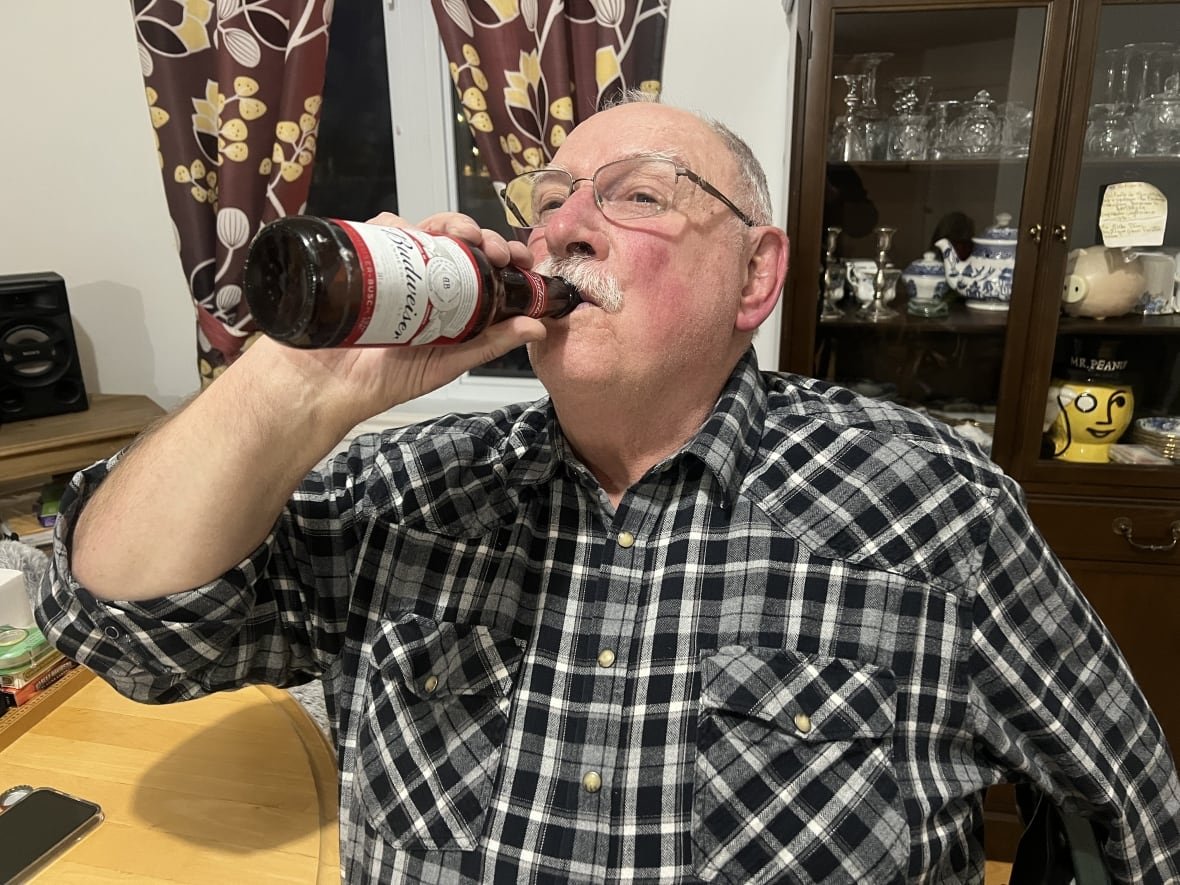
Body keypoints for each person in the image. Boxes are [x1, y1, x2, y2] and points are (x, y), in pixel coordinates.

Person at [36, 95, 1180, 884]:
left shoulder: (927, 495)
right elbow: (125, 627)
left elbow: (1129, 809)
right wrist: (298, 381)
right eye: (550, 197)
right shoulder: (408, 488)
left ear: (755, 275)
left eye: (636, 196)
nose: (565, 224)